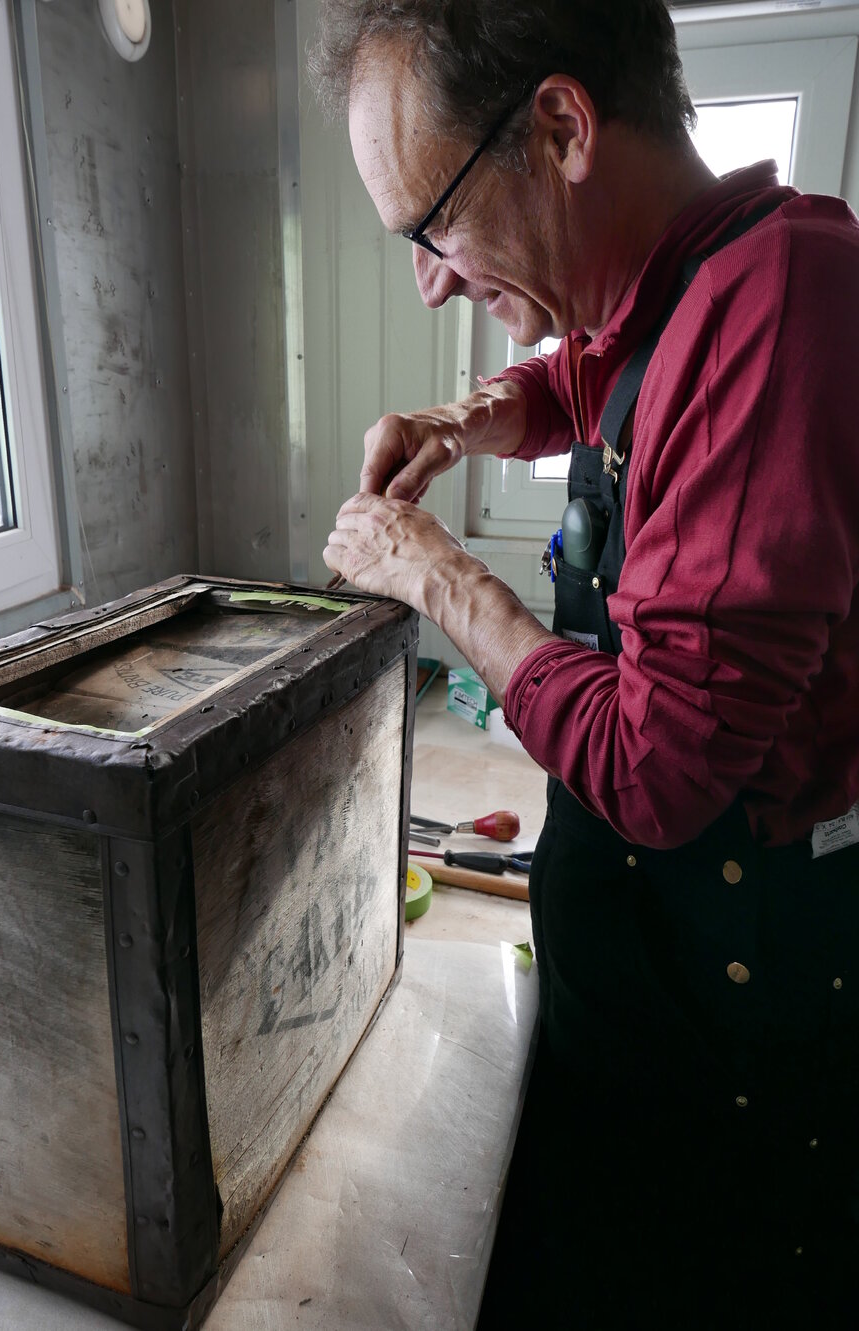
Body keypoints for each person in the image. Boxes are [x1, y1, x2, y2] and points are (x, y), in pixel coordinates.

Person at [310, 1, 859, 1327]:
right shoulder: (695, 278)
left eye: (430, 226)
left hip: (746, 982)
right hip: (651, 948)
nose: (432, 281)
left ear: (560, 126)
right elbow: (591, 376)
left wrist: (434, 570)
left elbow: (657, 768)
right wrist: (466, 416)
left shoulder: (784, 302)